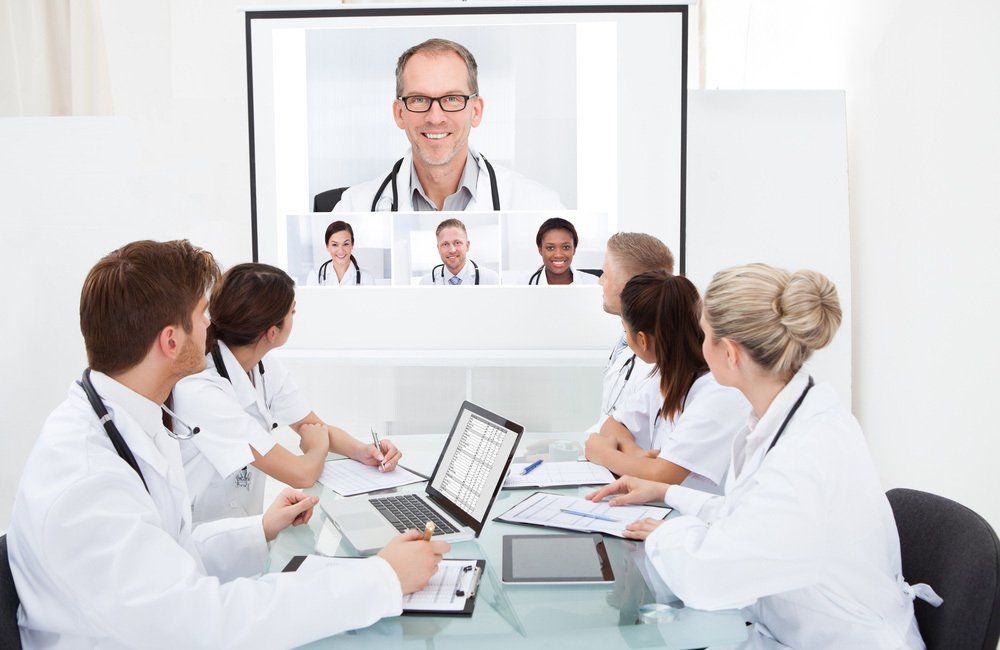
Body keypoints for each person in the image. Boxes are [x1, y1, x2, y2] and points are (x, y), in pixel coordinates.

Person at [7, 240, 449, 648]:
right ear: (171, 340)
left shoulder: (129, 419)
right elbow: (201, 624)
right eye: (203, 314)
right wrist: (381, 579)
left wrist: (260, 528)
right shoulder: (88, 483)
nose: (211, 323)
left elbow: (174, 551)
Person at [587, 264, 935, 648]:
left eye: (704, 335)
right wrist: (666, 493)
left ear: (730, 354)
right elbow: (747, 514)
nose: (698, 344)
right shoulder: (793, 416)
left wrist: (666, 534)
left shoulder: (805, 451)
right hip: (793, 625)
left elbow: (711, 577)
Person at [172, 262, 400, 524]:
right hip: (203, 533)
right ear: (272, 332)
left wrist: (363, 451)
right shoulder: (201, 390)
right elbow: (301, 473)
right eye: (292, 312)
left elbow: (312, 425)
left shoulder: (262, 366)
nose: (295, 317)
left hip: (245, 523)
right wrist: (317, 447)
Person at [333, 38, 564, 213]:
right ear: (399, 113)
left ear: (476, 111)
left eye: (452, 98)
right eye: (419, 99)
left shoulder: (539, 206)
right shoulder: (353, 208)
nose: (435, 118)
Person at [584, 271, 746, 492]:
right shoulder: (669, 375)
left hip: (704, 510)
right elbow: (613, 425)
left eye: (625, 330)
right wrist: (635, 454)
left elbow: (663, 475)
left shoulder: (719, 391)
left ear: (642, 339)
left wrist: (602, 454)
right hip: (667, 505)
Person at [587, 233, 675, 449]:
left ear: (630, 286)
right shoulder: (627, 343)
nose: (600, 281)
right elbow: (610, 421)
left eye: (605, 274)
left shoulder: (654, 361)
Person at [418, 218, 499, 285]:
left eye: (457, 243)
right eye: (445, 244)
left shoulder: (491, 280)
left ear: (467, 246)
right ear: (438, 248)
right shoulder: (426, 283)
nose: (452, 250)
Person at [522, 217, 599, 286]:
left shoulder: (595, 284)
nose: (558, 255)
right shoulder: (523, 284)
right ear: (540, 250)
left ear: (574, 249)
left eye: (566, 247)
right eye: (550, 248)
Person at [311, 220, 376, 286]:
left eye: (345, 244)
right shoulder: (314, 277)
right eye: (335, 244)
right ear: (327, 246)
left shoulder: (367, 279)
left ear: (352, 245)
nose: (341, 251)